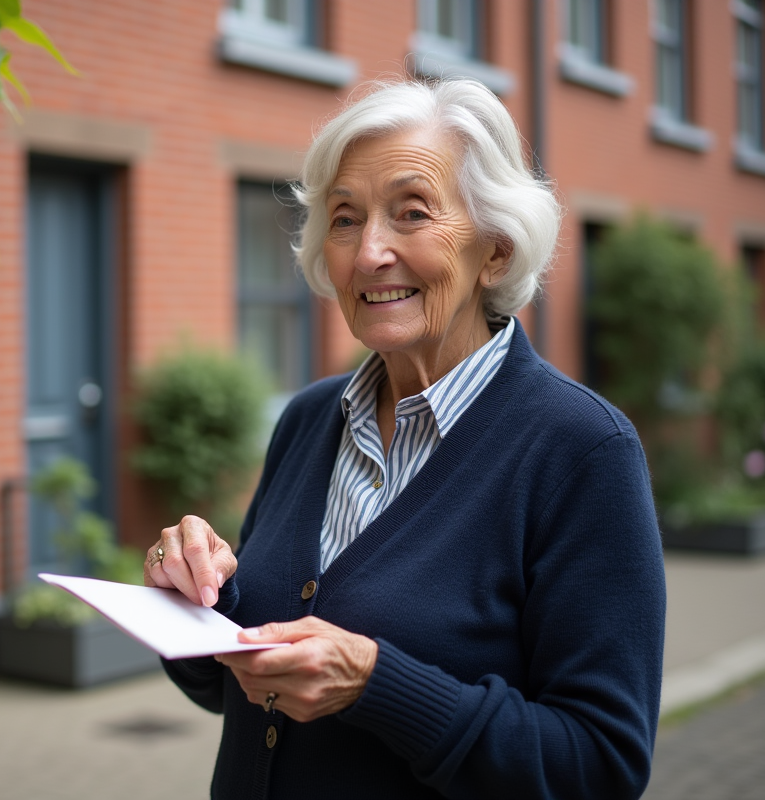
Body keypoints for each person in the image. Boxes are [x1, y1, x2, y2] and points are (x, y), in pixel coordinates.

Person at [143, 78, 665, 800]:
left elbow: (601, 765)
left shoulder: (581, 450)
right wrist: (199, 600)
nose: (368, 253)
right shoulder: (310, 418)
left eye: (412, 212)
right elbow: (231, 687)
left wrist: (376, 686)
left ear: (496, 250)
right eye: (345, 219)